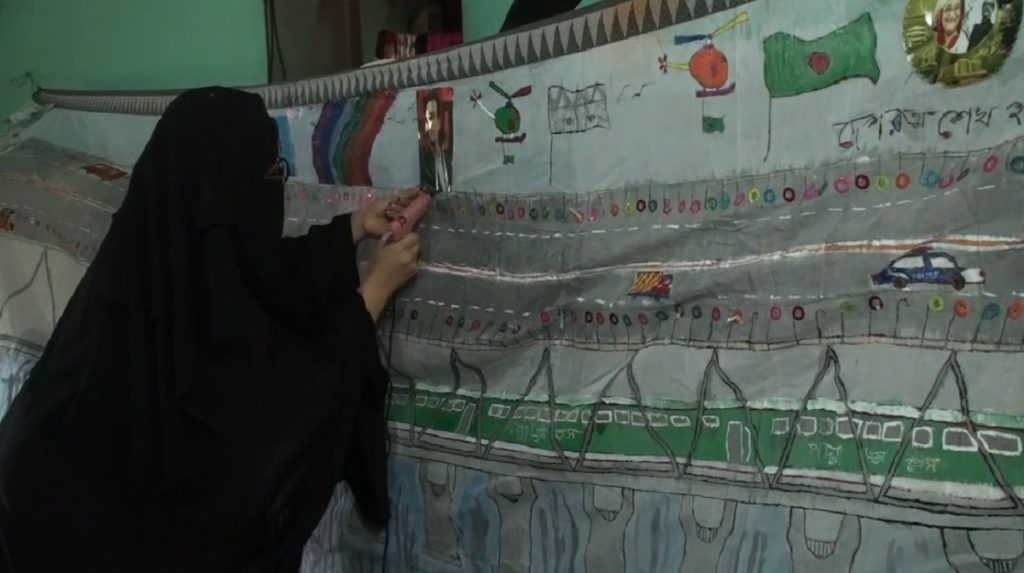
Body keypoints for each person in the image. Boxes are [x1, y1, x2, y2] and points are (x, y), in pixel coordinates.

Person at [0, 87, 420, 572]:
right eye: (273, 173)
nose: (278, 185)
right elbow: (286, 416)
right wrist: (375, 292)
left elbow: (251, 271)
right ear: (230, 191)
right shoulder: (198, 358)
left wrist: (355, 227)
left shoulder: (139, 271)